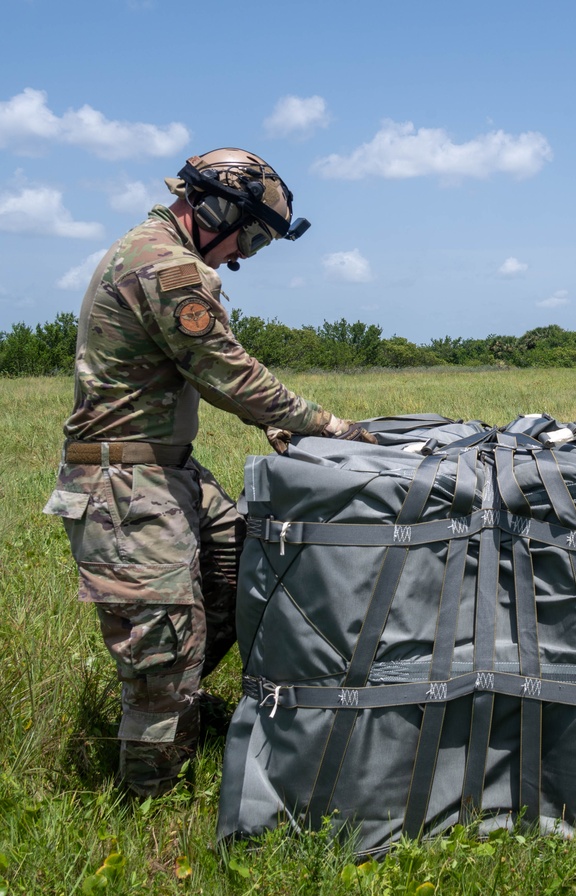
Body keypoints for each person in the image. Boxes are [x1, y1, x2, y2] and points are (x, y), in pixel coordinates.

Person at [43, 148, 373, 798]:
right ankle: (146, 801)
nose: (244, 255)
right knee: (161, 652)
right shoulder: (165, 266)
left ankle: (183, 710)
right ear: (217, 206)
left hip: (167, 471)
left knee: (241, 569)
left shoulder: (162, 254)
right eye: (247, 235)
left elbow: (200, 371)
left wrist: (279, 424)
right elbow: (228, 373)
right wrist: (330, 428)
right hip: (124, 486)